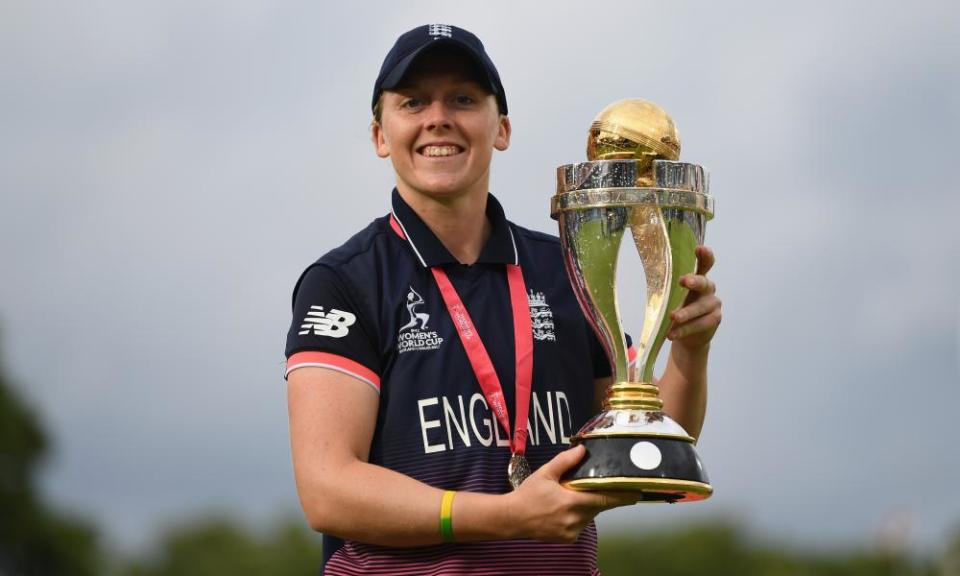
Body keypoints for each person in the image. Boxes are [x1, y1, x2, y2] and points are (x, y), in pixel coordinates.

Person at [284, 24, 721, 575]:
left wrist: (689, 351)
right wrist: (506, 516)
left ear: (503, 128)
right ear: (379, 135)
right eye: (413, 101)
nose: (438, 117)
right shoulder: (345, 281)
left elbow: (648, 452)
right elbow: (328, 490)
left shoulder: (566, 268)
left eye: (464, 99)